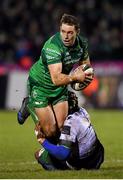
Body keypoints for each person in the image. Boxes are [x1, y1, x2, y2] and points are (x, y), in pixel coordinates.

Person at [17, 13, 93, 139]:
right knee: (50, 132)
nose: (66, 36)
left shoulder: (82, 44)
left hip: (60, 87)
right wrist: (75, 78)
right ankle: (29, 103)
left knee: (61, 129)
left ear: (77, 32)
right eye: (63, 31)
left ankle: (57, 157)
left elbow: (85, 67)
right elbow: (56, 79)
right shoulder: (53, 47)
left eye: (70, 32)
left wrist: (86, 76)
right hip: (41, 86)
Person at [34, 91, 104, 170]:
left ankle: (61, 170)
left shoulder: (70, 122)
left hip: (81, 161)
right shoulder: (82, 111)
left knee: (39, 154)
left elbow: (63, 154)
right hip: (97, 156)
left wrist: (42, 141)